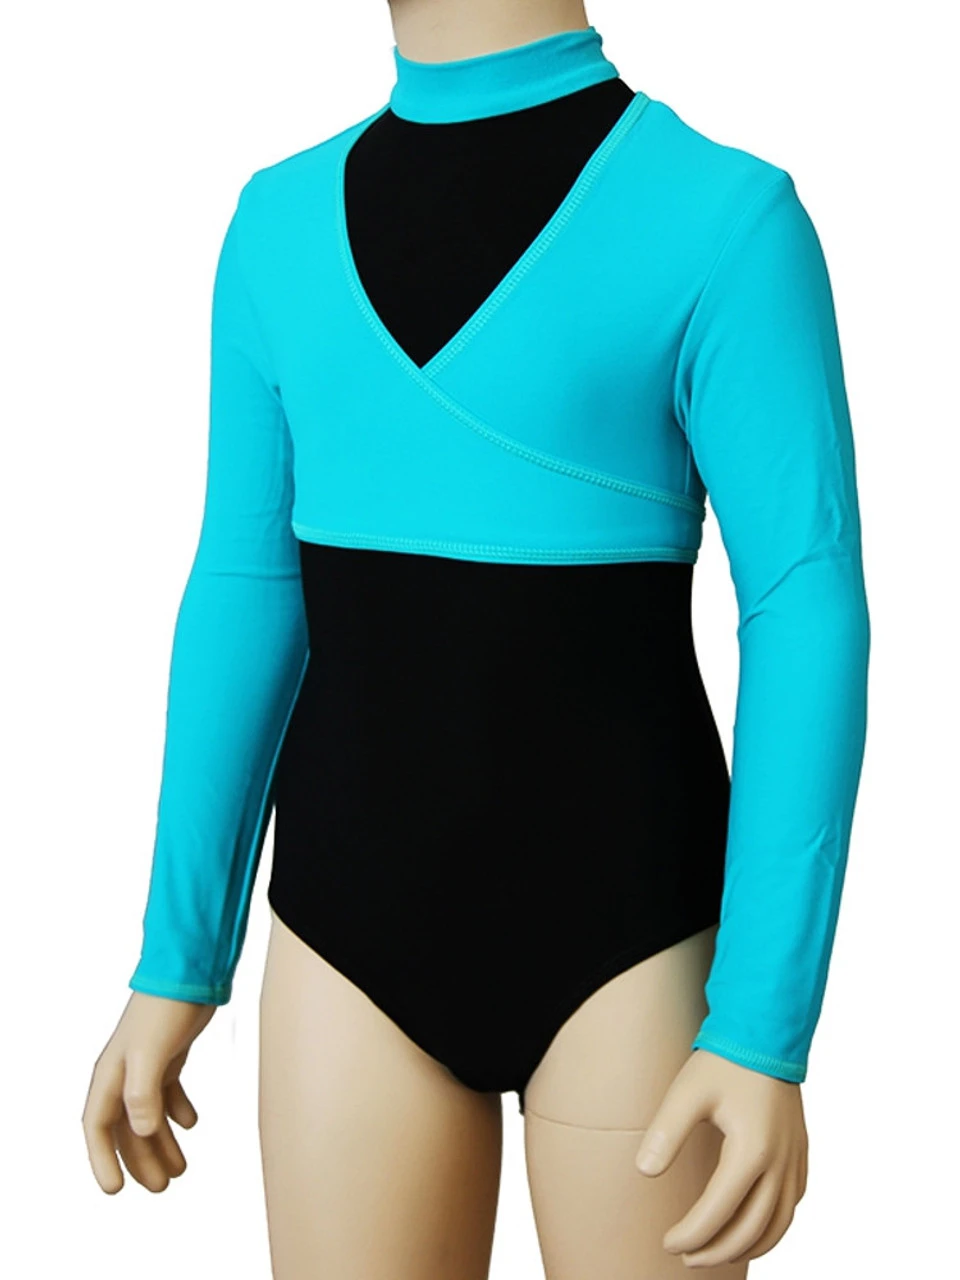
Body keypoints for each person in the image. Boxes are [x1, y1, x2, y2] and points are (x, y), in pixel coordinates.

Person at [81, 1, 870, 1275]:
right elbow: (245, 587)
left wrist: (763, 1022)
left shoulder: (725, 219)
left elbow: (805, 608)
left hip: (633, 943)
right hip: (346, 941)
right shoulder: (275, 226)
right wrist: (176, 960)